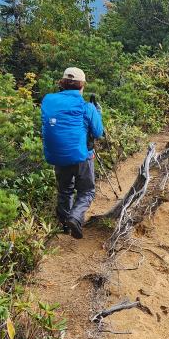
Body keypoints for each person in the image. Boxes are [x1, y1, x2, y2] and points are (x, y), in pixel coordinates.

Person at [41, 67, 104, 239]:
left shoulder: (48, 100)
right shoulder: (87, 107)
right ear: (82, 86)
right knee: (87, 191)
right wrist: (97, 113)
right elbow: (98, 132)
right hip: (82, 157)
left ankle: (64, 225)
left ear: (61, 83)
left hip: (57, 156)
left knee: (65, 190)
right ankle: (75, 218)